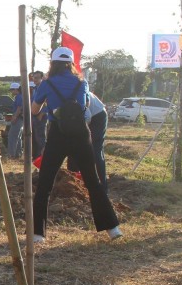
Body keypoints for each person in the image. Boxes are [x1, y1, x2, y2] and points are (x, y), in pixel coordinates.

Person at [31, 46, 122, 243]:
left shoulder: (46, 84)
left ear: (52, 63)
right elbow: (86, 106)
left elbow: (34, 109)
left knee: (45, 182)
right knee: (93, 181)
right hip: (81, 134)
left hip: (57, 134)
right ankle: (113, 228)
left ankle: (38, 234)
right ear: (71, 63)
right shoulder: (82, 82)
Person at [67, 90, 109, 192]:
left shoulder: (75, 92)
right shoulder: (55, 93)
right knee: (72, 149)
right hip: (81, 118)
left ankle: (101, 187)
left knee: (94, 150)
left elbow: (87, 116)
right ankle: (73, 184)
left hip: (97, 116)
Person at [6, 82, 24, 158]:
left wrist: (14, 117)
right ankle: (18, 153)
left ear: (16, 89)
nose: (11, 91)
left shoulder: (19, 97)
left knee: (12, 136)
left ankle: (11, 154)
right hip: (21, 118)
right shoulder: (19, 96)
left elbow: (19, 108)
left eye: (12, 90)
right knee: (18, 136)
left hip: (18, 118)